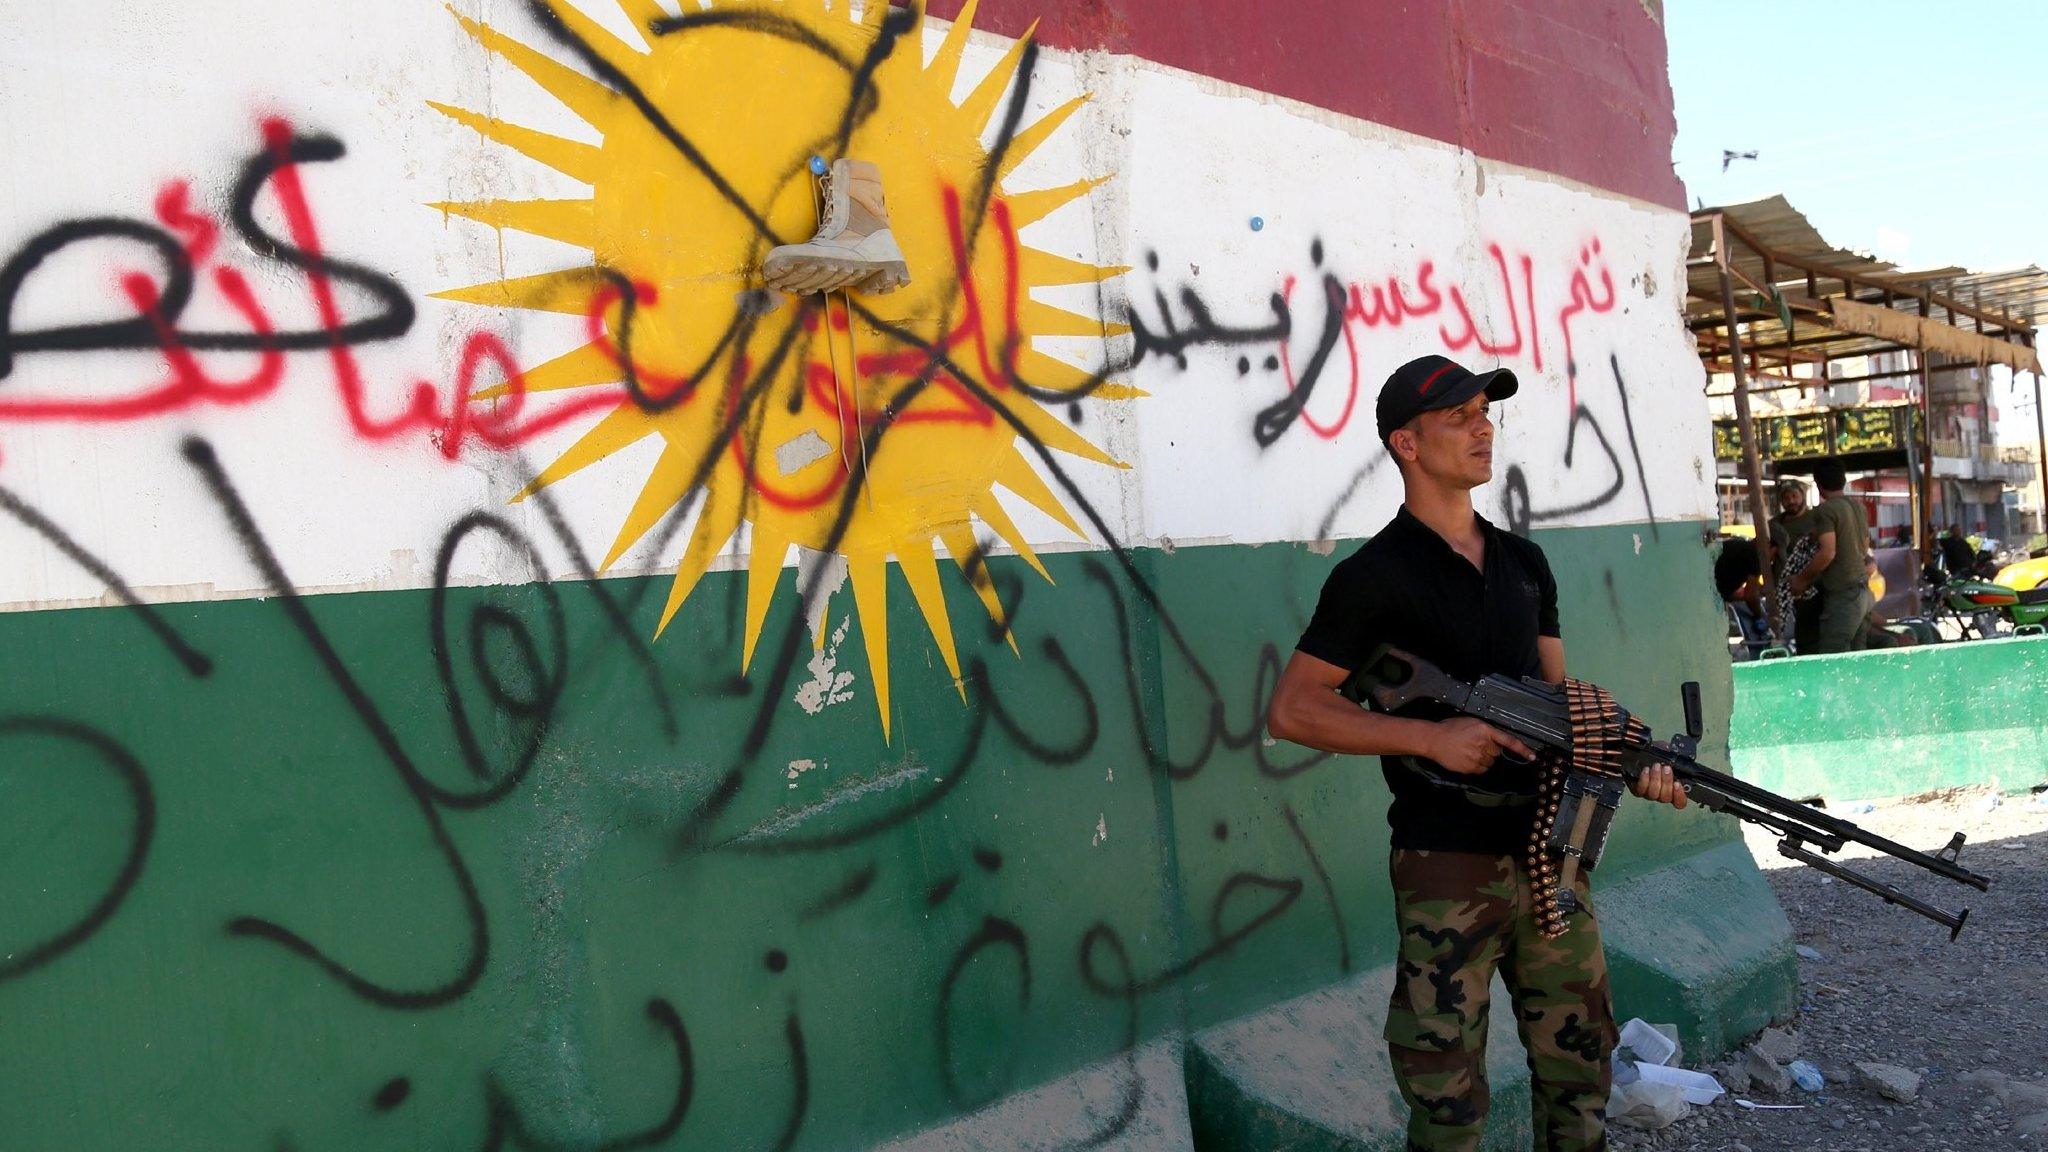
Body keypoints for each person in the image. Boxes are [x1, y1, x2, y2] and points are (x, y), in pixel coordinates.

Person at [1266, 355, 1687, 1152]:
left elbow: (1562, 711)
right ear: (1407, 444)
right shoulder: (1372, 577)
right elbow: (1293, 709)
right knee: (1446, 1093)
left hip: (1552, 856)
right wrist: (1428, 735)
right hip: (1446, 863)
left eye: (1485, 413)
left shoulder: (1525, 564)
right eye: (1458, 416)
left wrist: (1638, 764)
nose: (1482, 427)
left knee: (1580, 1071)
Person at [1787, 459, 1876, 653]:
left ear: (1818, 484)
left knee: (1831, 659)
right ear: (1843, 480)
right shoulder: (1858, 508)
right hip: (1864, 594)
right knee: (1858, 656)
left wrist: (1802, 579)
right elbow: (1864, 546)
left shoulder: (1826, 510)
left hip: (1844, 598)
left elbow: (1827, 552)